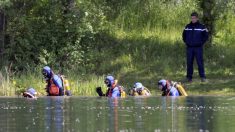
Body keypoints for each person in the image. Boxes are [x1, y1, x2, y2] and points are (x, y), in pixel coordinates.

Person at [182, 12, 209, 82]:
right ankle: (189, 77)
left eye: (194, 18)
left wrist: (201, 43)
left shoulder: (202, 26)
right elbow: (183, 36)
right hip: (189, 48)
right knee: (189, 63)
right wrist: (187, 42)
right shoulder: (187, 26)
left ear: (197, 18)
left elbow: (206, 36)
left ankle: (203, 77)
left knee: (200, 62)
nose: (193, 19)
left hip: (198, 48)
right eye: (192, 18)